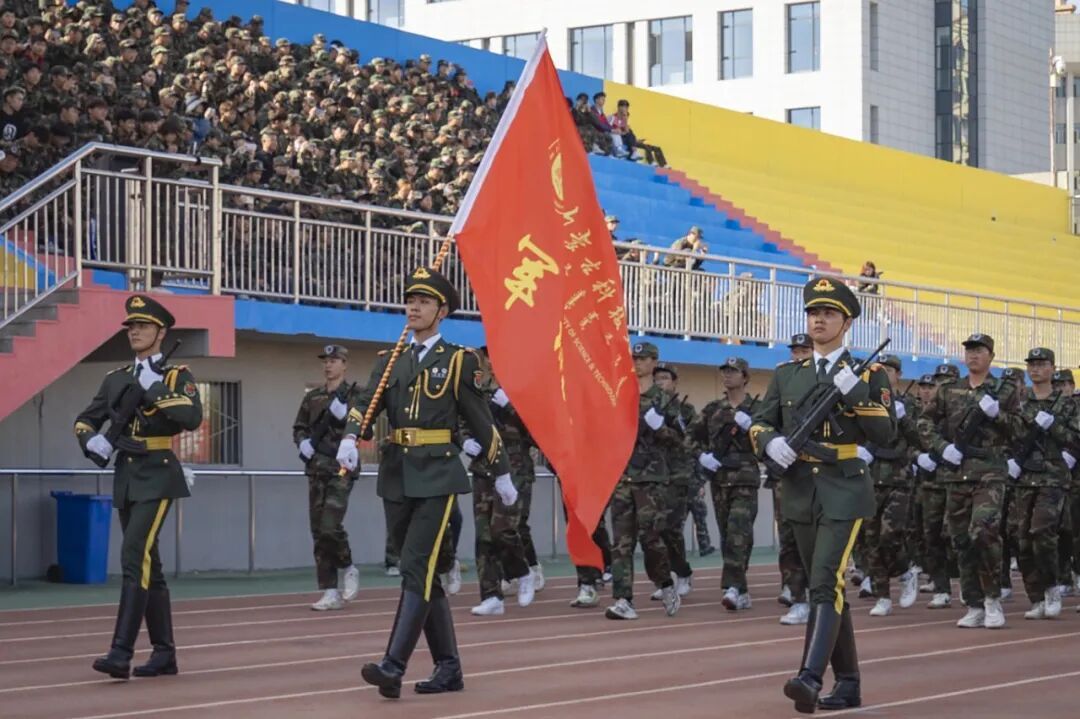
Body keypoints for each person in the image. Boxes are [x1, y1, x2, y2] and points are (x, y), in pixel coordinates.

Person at [335, 266, 513, 699]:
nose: (414, 308)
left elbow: (481, 420)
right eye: (410, 301)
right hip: (397, 473)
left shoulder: (458, 361)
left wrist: (502, 470)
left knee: (416, 565)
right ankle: (449, 668)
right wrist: (350, 437)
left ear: (442, 311)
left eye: (424, 302)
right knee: (423, 574)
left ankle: (392, 665)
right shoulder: (390, 359)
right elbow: (367, 404)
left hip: (437, 475)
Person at [750, 276, 894, 713]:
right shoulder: (787, 374)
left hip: (843, 486)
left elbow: (885, 432)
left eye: (829, 313)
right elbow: (761, 421)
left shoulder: (869, 374)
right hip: (799, 488)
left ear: (846, 323)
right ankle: (848, 683)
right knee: (825, 586)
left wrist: (857, 393)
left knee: (826, 580)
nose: (819, 320)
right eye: (814, 312)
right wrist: (769, 442)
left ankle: (809, 678)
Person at [75, 294, 202, 679]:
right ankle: (164, 654)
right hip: (127, 477)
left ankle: (121, 652)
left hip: (158, 474)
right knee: (150, 564)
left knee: (133, 554)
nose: (134, 331)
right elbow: (86, 419)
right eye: (131, 326)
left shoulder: (176, 376)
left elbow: (191, 418)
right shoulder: (115, 378)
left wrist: (154, 388)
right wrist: (92, 441)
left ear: (161, 333)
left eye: (143, 326)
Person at [916, 333, 1022, 630]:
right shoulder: (949, 389)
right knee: (960, 540)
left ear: (991, 356)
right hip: (956, 472)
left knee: (983, 532)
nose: (973, 355)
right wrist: (941, 448)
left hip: (990, 472)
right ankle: (974, 603)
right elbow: (924, 422)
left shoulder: (1004, 390)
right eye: (969, 351)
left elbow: (1021, 430)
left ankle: (992, 598)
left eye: (979, 350)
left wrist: (998, 415)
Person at [606, 341, 683, 620]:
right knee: (621, 542)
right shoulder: (620, 394)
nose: (637, 363)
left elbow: (680, 440)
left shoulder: (664, 399)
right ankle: (623, 599)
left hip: (652, 479)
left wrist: (660, 428)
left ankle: (665, 583)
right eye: (634, 358)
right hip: (623, 476)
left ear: (653, 362)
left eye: (642, 358)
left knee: (651, 538)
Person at [293, 343, 365, 611]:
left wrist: (345, 417)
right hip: (316, 468)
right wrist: (302, 442)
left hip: (341, 468)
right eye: (326, 361)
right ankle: (330, 590)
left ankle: (348, 565)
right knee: (318, 531)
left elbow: (365, 428)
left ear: (344, 365)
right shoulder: (313, 397)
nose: (328, 365)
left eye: (334, 361)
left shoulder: (356, 395)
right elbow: (299, 426)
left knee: (329, 526)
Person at [464, 349, 536, 616]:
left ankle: (522, 571)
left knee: (503, 530)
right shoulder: (477, 390)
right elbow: (462, 420)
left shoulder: (526, 392)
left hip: (515, 469)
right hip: (484, 468)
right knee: (483, 535)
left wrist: (510, 407)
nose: (493, 361)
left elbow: (539, 434)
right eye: (489, 356)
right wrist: (464, 440)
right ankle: (491, 595)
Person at [1008, 348, 1073, 619]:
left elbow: (1075, 438)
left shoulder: (1066, 404)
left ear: (1052, 368)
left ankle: (1052, 586)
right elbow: (1006, 435)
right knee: (1022, 539)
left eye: (1041, 364)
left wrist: (1053, 427)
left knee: (1042, 531)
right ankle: (1036, 598)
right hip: (1023, 477)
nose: (1035, 369)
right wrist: (1010, 461)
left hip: (1052, 477)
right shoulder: (1019, 403)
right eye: (1032, 364)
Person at [691, 357, 760, 612]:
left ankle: (731, 587)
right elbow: (689, 437)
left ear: (745, 377)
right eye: (725, 371)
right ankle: (741, 589)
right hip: (719, 480)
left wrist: (754, 428)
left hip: (745, 479)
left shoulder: (758, 409)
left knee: (738, 532)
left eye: (733, 371)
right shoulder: (713, 409)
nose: (727, 375)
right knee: (726, 536)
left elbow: (772, 439)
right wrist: (701, 456)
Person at [859, 355, 921, 617]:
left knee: (890, 534)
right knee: (871, 539)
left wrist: (904, 419)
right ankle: (882, 595)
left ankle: (905, 570)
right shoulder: (864, 404)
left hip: (899, 477)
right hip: (871, 478)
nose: (884, 374)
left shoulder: (909, 405)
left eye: (889, 370)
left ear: (898, 375)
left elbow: (920, 438)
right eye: (879, 370)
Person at [651, 362, 697, 600]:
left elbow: (688, 440)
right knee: (653, 530)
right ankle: (664, 579)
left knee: (671, 528)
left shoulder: (685, 410)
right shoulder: (648, 407)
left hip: (677, 477)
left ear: (675, 382)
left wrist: (664, 426)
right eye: (657, 378)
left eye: (665, 378)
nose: (660, 382)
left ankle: (682, 572)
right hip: (652, 475)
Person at [914, 372, 954, 608]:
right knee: (932, 535)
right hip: (929, 482)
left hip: (958, 479)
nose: (932, 389)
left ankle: (971, 586)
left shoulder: (958, 410)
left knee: (959, 535)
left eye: (938, 384)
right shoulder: (917, 413)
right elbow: (905, 439)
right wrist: (916, 456)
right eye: (927, 385)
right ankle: (941, 586)